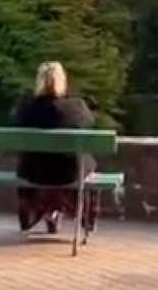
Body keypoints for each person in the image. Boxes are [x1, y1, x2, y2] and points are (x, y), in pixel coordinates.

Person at [12, 60, 97, 236]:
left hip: (34, 173)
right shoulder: (76, 107)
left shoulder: (26, 107)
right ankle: (85, 217)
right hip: (69, 173)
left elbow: (14, 124)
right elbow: (90, 123)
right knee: (89, 165)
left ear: (39, 81)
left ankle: (40, 212)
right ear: (62, 82)